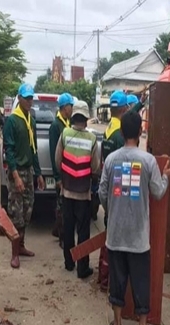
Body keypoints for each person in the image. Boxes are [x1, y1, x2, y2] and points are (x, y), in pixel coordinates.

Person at [98, 111, 170, 325]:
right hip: (139, 238)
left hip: (116, 235)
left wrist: (112, 208)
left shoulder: (111, 160)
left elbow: (101, 192)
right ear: (140, 131)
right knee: (141, 281)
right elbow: (158, 192)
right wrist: (167, 176)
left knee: (117, 281)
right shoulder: (148, 161)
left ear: (121, 133)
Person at [55, 100, 100, 278]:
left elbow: (58, 160)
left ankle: (68, 263)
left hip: (67, 191)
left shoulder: (65, 134)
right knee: (83, 231)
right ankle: (82, 268)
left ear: (73, 117)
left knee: (68, 227)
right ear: (86, 118)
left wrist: (66, 177)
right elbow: (95, 167)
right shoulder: (92, 139)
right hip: (84, 194)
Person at [4, 83, 45, 269]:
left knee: (28, 208)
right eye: (26, 98)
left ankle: (21, 246)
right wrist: (15, 175)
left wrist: (39, 173)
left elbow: (34, 149)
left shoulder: (32, 121)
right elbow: (9, 150)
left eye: (31, 98)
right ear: (18, 98)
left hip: (28, 170)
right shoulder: (12, 121)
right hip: (17, 171)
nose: (29, 101)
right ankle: (14, 253)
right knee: (16, 211)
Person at [96, 90, 129, 291]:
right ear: (124, 109)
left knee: (108, 235)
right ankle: (109, 280)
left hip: (107, 189)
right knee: (113, 240)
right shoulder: (120, 135)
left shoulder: (108, 130)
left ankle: (103, 275)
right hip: (118, 193)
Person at [49, 93, 75, 248]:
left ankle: (59, 231)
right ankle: (62, 236)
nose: (71, 109)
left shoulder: (68, 123)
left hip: (69, 170)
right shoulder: (55, 126)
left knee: (65, 204)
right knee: (61, 206)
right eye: (71, 106)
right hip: (62, 172)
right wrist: (57, 177)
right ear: (65, 107)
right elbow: (55, 153)